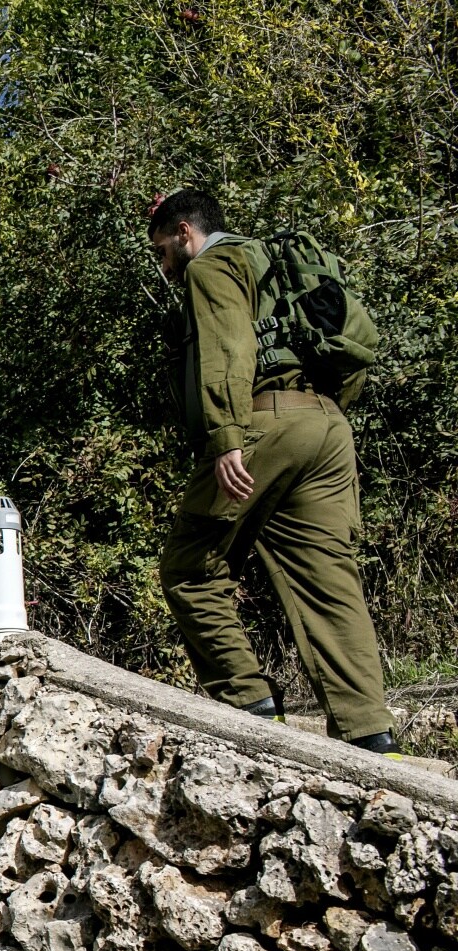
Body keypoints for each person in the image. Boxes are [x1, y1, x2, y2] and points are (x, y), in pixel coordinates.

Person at [148, 187, 397, 751]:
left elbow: (226, 347)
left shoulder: (213, 265)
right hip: (327, 427)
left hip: (264, 424)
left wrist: (226, 437)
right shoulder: (275, 266)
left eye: (163, 250)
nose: (165, 266)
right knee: (329, 580)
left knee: (190, 570)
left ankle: (249, 707)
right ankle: (370, 735)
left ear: (186, 232)